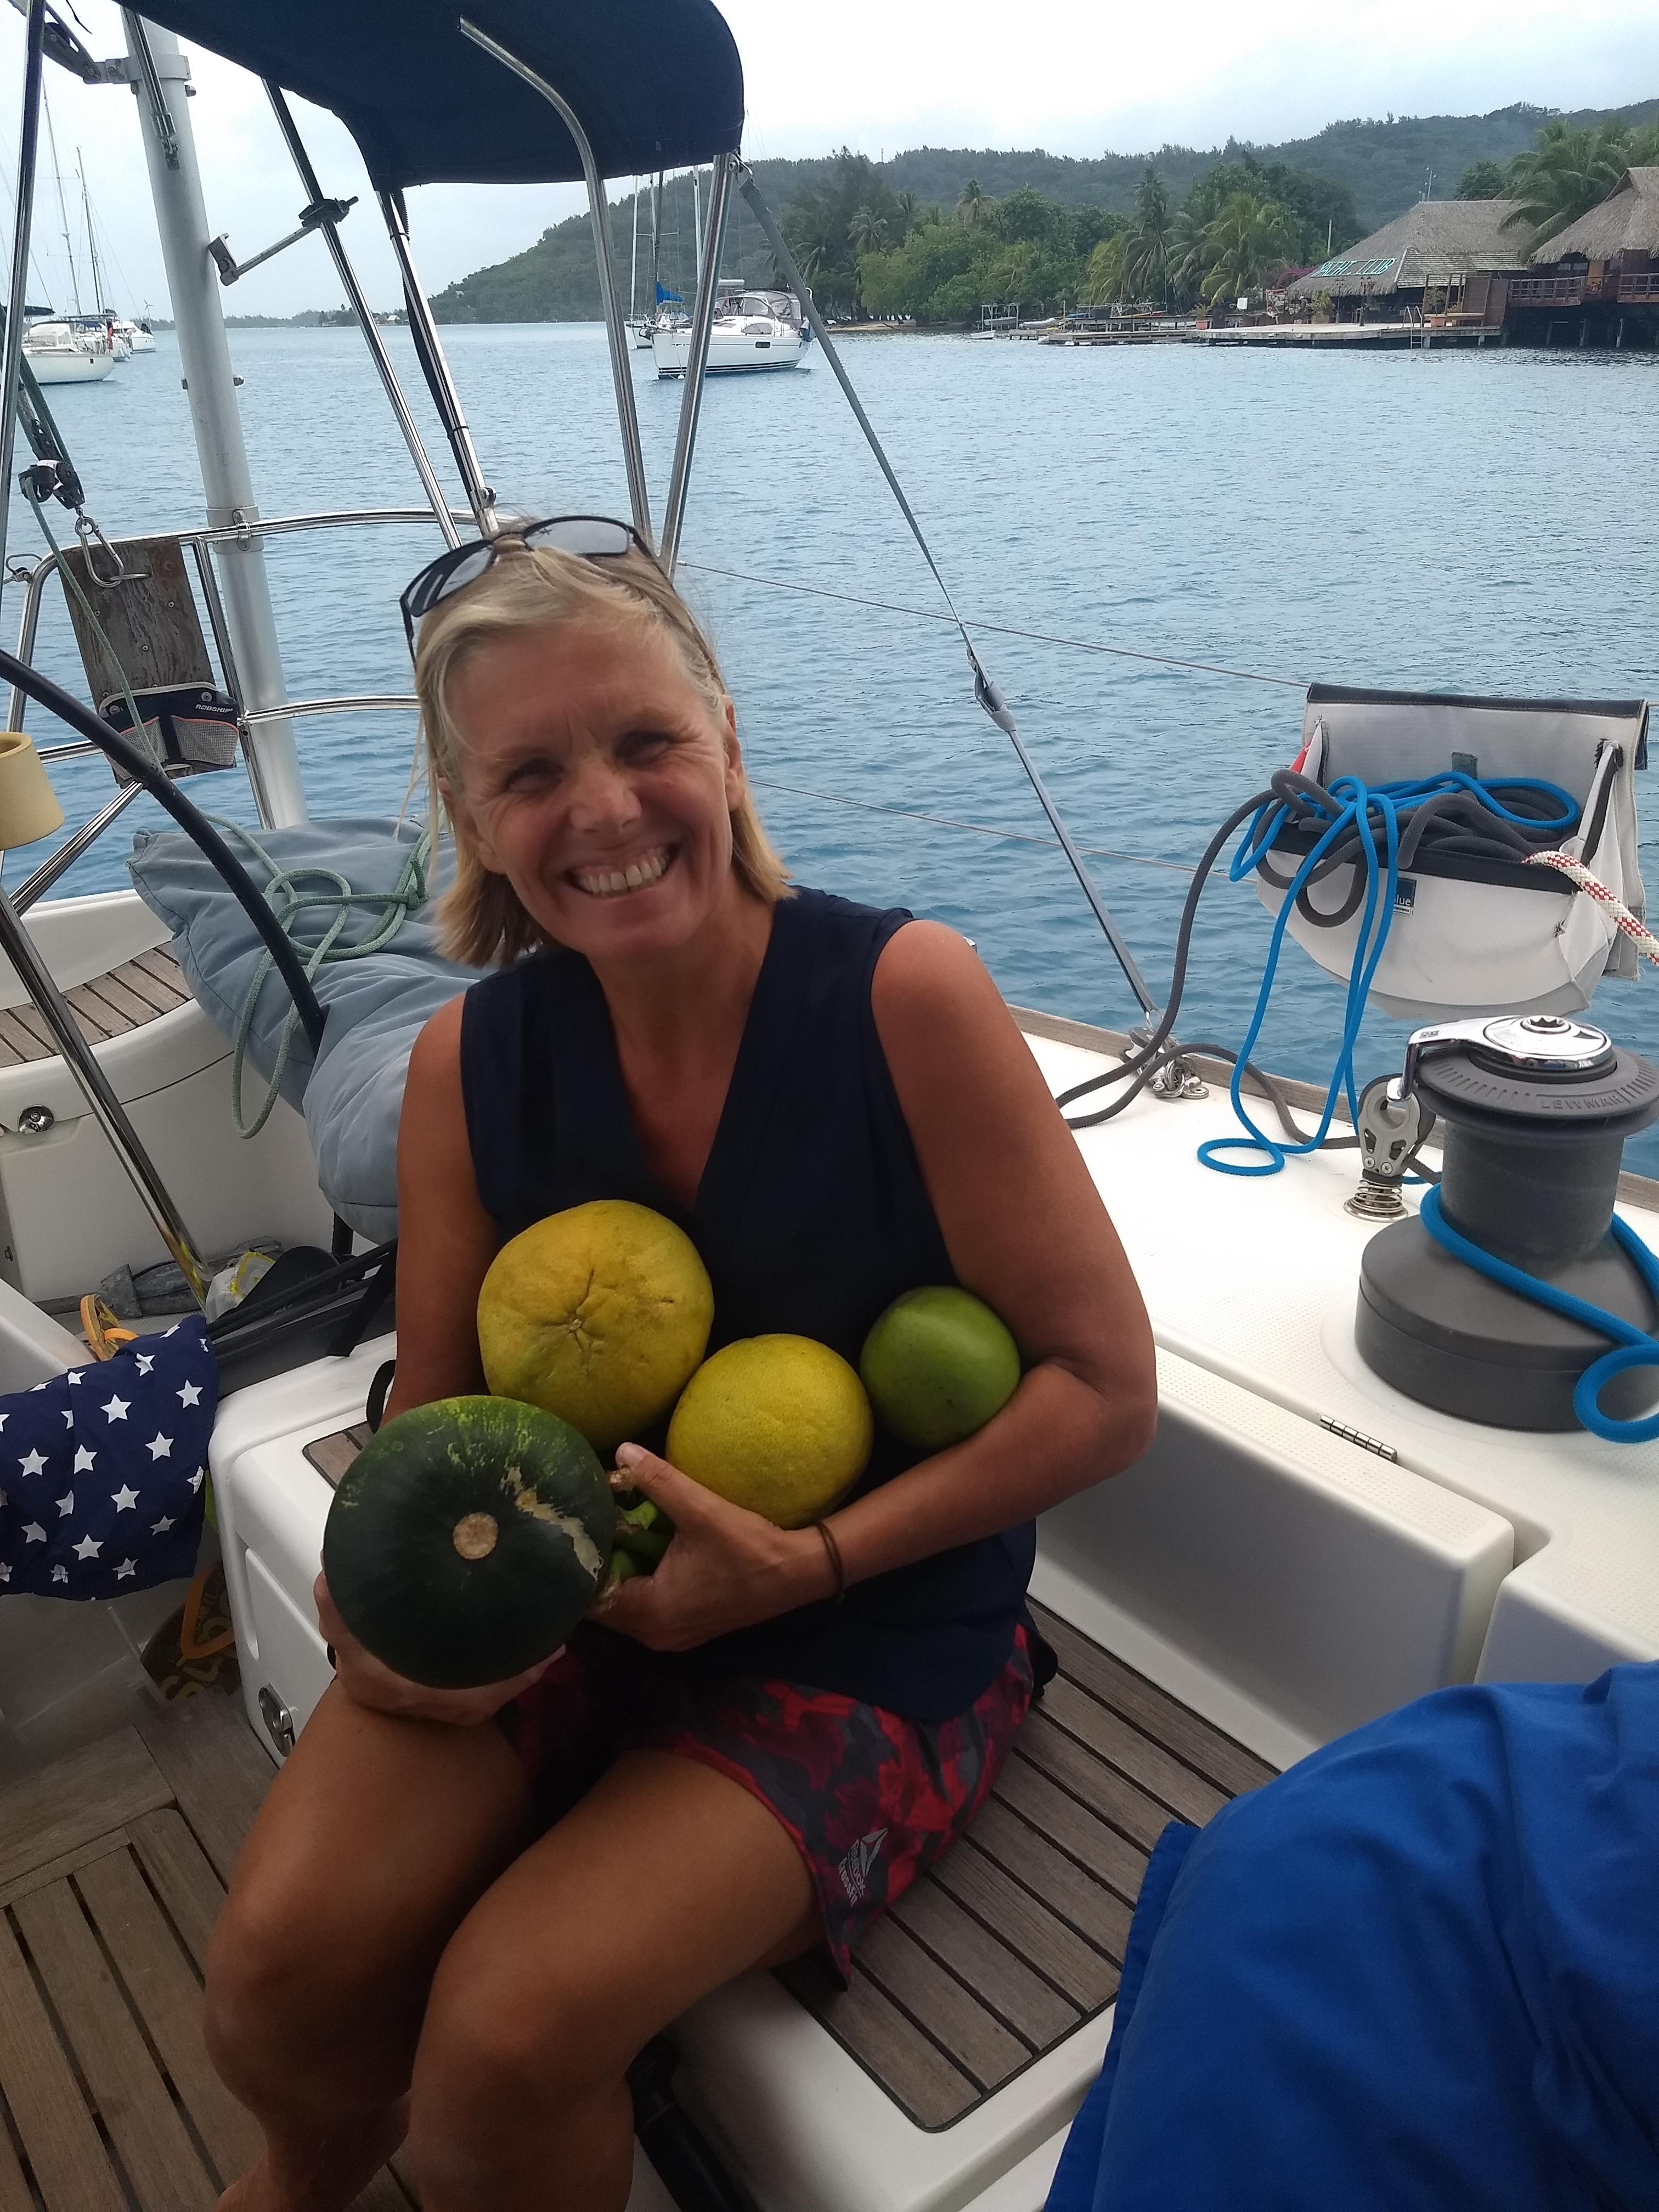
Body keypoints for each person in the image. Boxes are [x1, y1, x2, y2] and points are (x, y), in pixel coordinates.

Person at [202, 516, 1156, 2212]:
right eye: (531, 772)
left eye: (645, 741)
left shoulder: (905, 996)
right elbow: (441, 1411)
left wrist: (811, 1559)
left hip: (866, 1624)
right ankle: (315, 2169)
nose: (603, 810)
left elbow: (1103, 1388)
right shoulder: (463, 1065)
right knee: (277, 1971)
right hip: (561, 1593)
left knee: (507, 2038)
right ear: (471, 818)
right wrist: (391, 1605)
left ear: (723, 740)